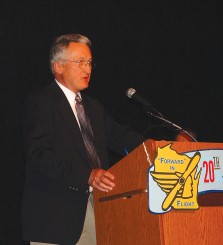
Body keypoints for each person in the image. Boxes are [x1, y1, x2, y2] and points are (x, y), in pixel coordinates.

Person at [21, 34, 144, 245]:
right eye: (80, 62)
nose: (87, 69)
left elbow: (121, 137)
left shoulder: (93, 107)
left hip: (99, 212)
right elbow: (40, 155)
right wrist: (87, 176)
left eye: (89, 63)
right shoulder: (40, 102)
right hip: (56, 218)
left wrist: (163, 146)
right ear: (58, 66)